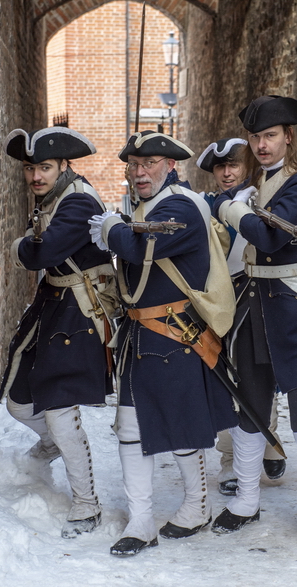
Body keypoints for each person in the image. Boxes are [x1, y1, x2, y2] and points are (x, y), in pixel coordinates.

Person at [210, 96, 297, 573]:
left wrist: (231, 209)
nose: (262, 145)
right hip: (257, 306)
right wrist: (239, 204)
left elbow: (269, 237)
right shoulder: (257, 183)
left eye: (270, 136)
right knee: (250, 405)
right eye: (255, 138)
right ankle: (246, 500)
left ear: (289, 136)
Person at [89, 130, 239, 557]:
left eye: (150, 163)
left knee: (180, 426)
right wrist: (120, 223)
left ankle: (196, 506)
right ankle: (141, 521)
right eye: (134, 165)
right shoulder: (143, 206)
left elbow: (139, 248)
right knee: (131, 427)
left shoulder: (180, 207)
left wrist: (113, 226)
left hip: (176, 334)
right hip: (142, 334)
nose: (140, 172)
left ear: (170, 166)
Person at [0, 126, 119, 539]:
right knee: (18, 402)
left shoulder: (79, 201)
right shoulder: (53, 197)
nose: (36, 176)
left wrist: (17, 248)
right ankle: (50, 445)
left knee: (61, 411)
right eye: (31, 168)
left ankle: (87, 505)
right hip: (54, 307)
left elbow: (42, 253)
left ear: (64, 166)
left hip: (81, 313)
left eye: (45, 167)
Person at [196, 138, 287, 496]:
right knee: (222, 377)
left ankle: (268, 438)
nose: (227, 172)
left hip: (260, 295)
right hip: (221, 299)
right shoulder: (205, 207)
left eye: (233, 165)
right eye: (220, 167)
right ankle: (229, 460)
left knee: (262, 373)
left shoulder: (264, 200)